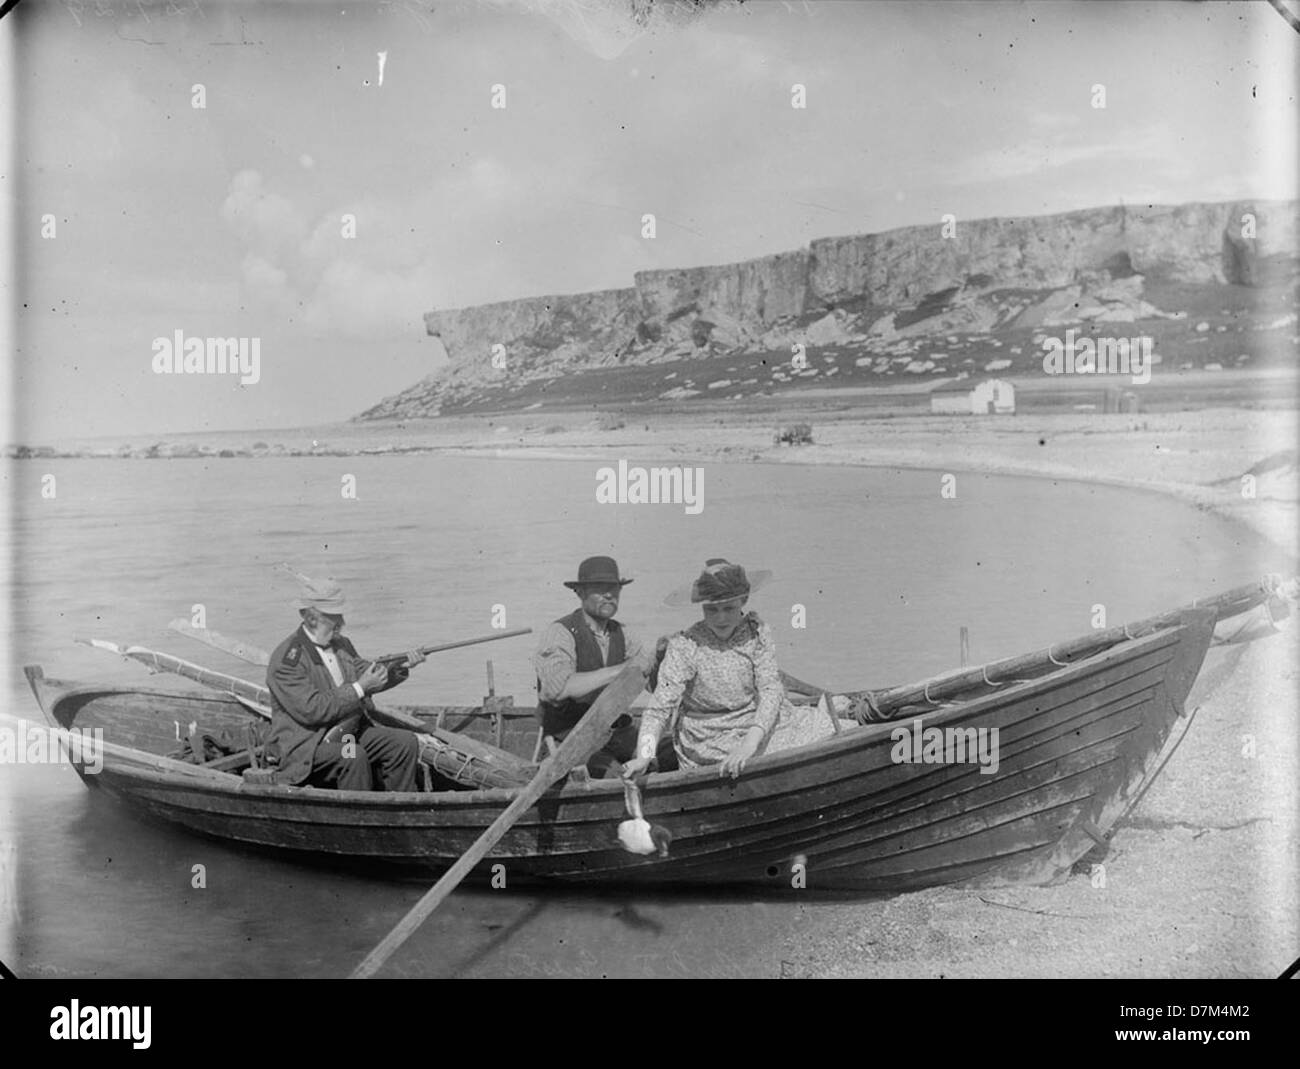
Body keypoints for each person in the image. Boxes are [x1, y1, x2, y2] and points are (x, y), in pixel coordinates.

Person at [622, 558, 838, 781]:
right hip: (709, 739)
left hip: (756, 725)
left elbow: (771, 690)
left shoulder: (756, 633)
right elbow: (659, 708)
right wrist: (644, 756)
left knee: (830, 727)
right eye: (712, 610)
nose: (721, 618)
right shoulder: (685, 645)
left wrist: (749, 743)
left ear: (743, 601)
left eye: (729, 608)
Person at [265, 577, 426, 791]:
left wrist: (399, 666)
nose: (342, 622)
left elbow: (368, 674)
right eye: (334, 616)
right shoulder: (287, 660)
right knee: (353, 755)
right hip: (306, 745)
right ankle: (361, 818)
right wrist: (360, 688)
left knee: (404, 742)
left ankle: (399, 809)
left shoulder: (341, 644)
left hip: (346, 734)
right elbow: (313, 710)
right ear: (312, 618)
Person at [533, 556, 658, 778]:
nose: (609, 595)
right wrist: (623, 669)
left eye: (614, 589)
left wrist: (663, 657)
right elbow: (557, 689)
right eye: (600, 589)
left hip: (616, 734)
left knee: (662, 756)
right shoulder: (561, 633)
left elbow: (653, 683)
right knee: (617, 777)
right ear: (580, 593)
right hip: (572, 741)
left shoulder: (623, 634)